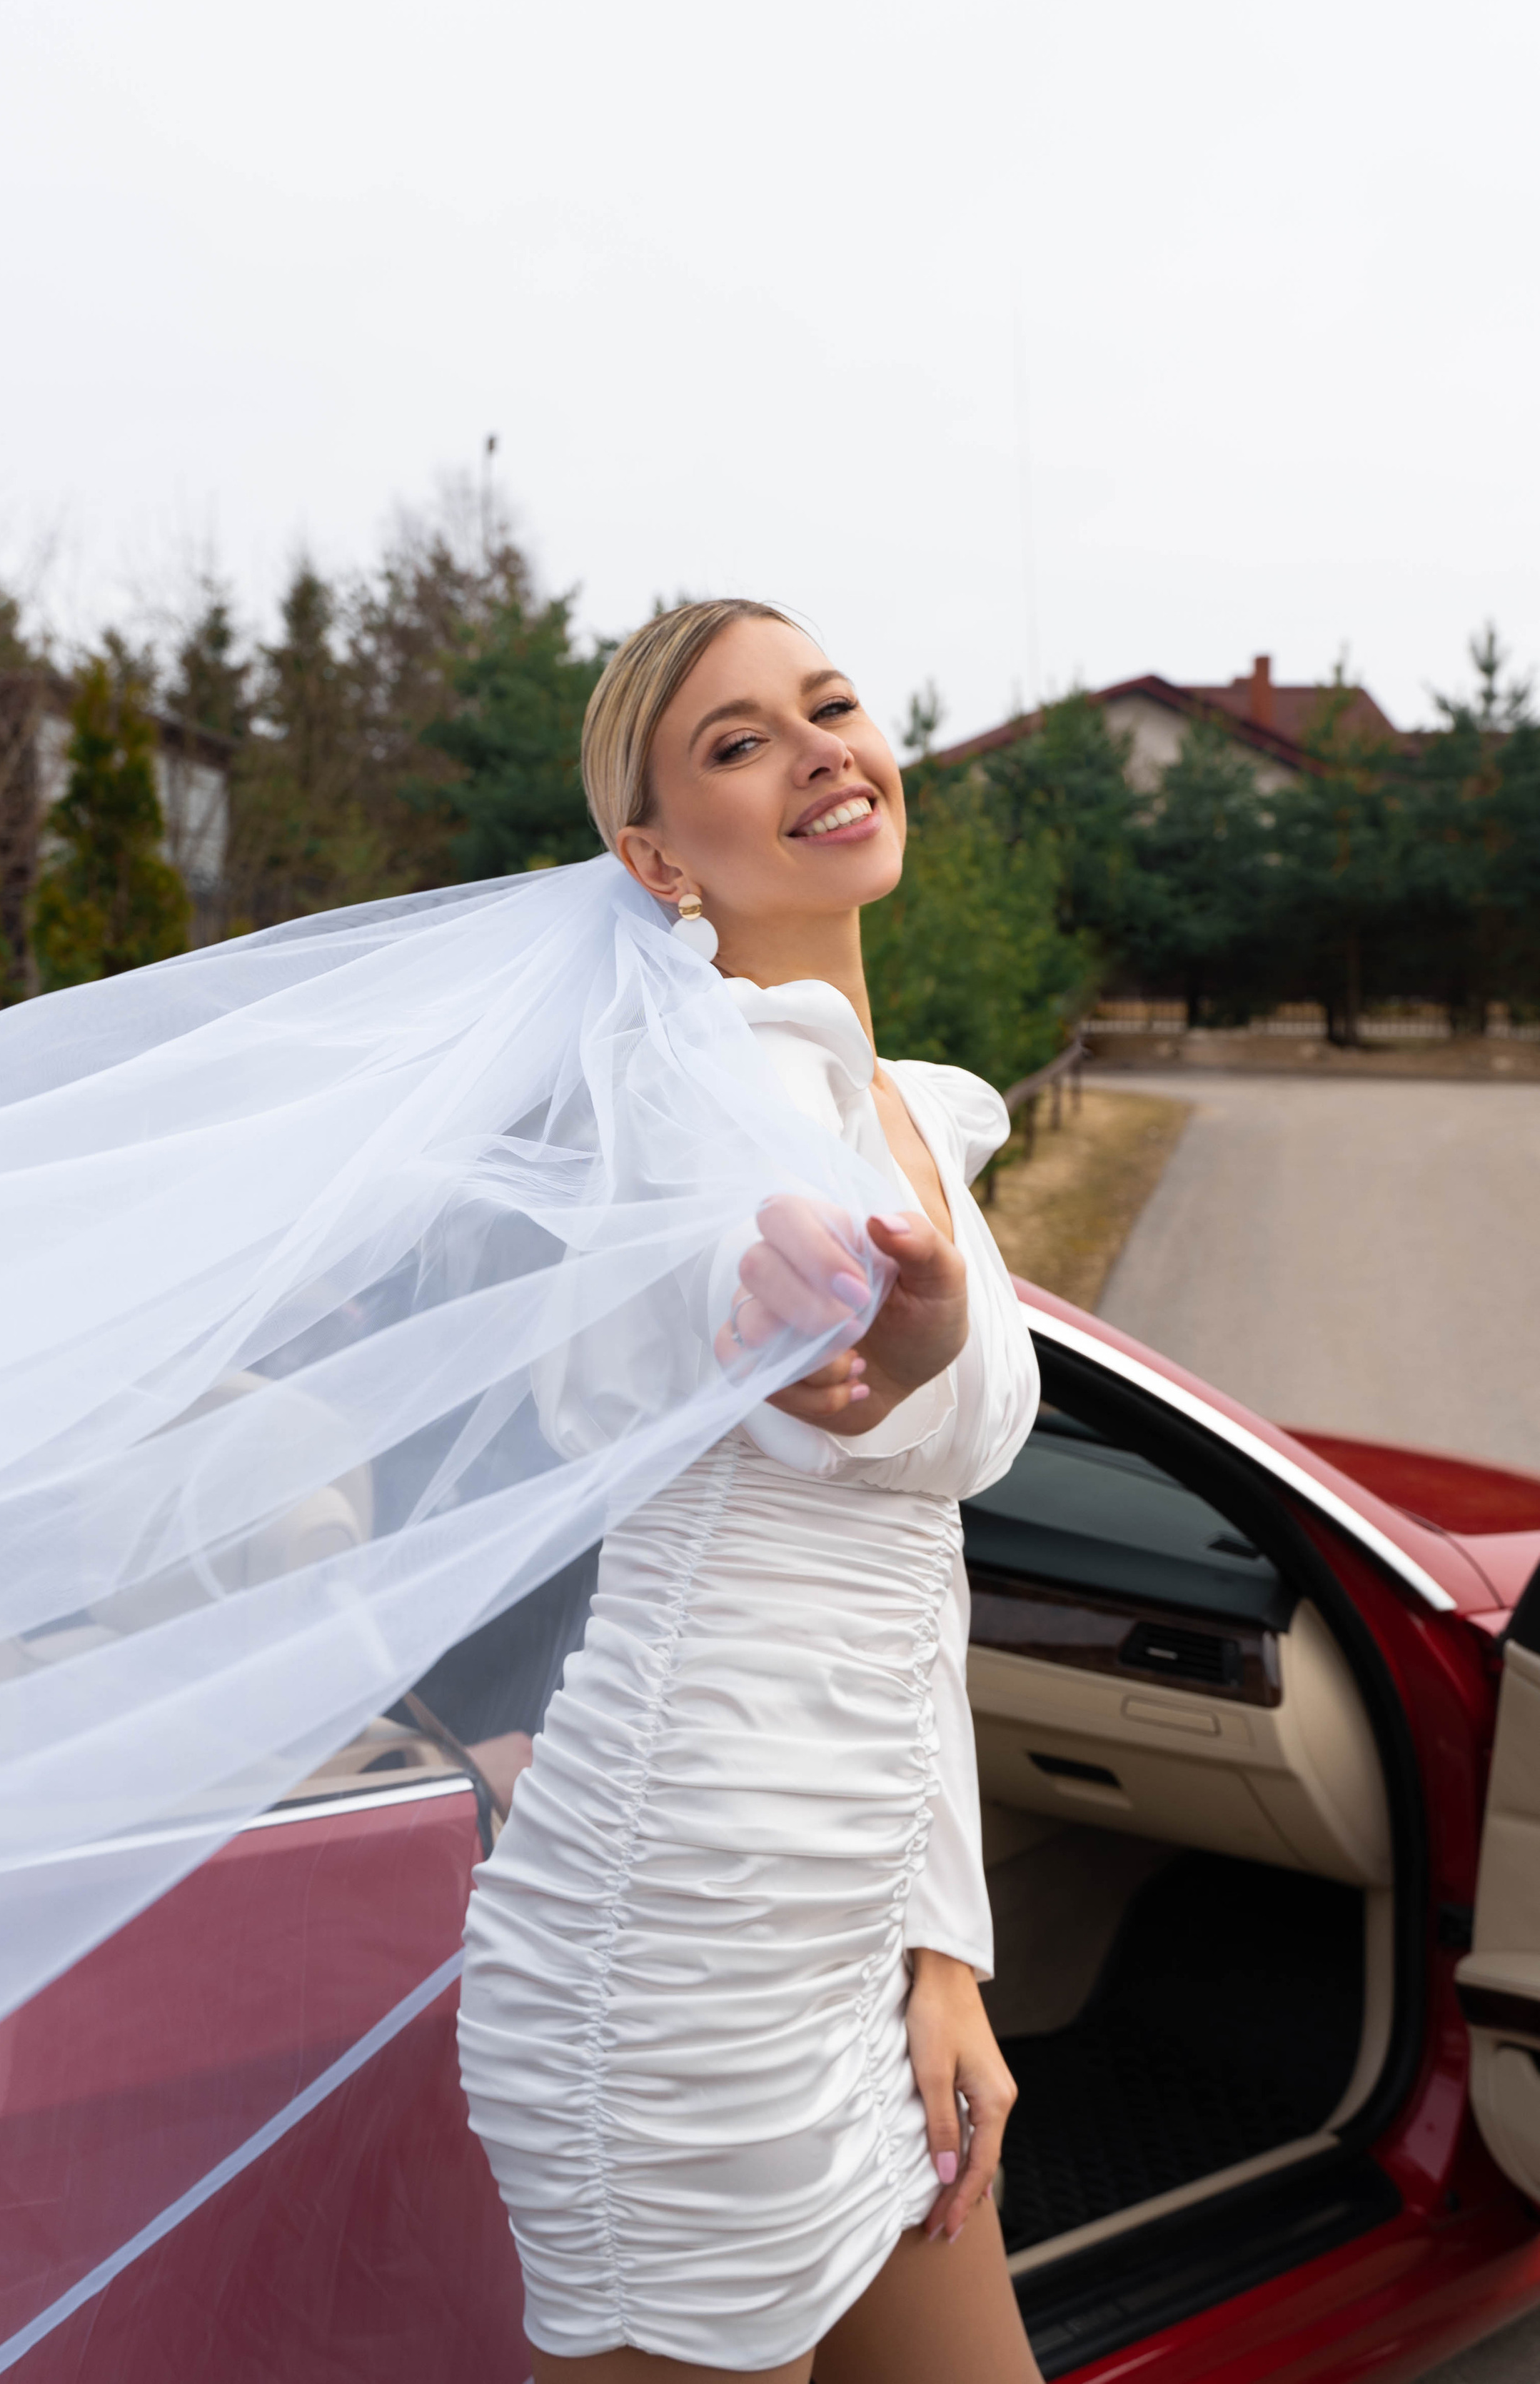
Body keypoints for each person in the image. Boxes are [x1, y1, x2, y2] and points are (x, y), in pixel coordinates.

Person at [457, 600, 1044, 2383]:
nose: (816, 752)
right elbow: (742, 1320)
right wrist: (844, 1344)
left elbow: (906, 1571)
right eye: (736, 742)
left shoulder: (912, 1118)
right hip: (675, 1957)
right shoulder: (667, 1100)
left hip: (855, 1940)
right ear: (650, 855)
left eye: (830, 705)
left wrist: (941, 1948)